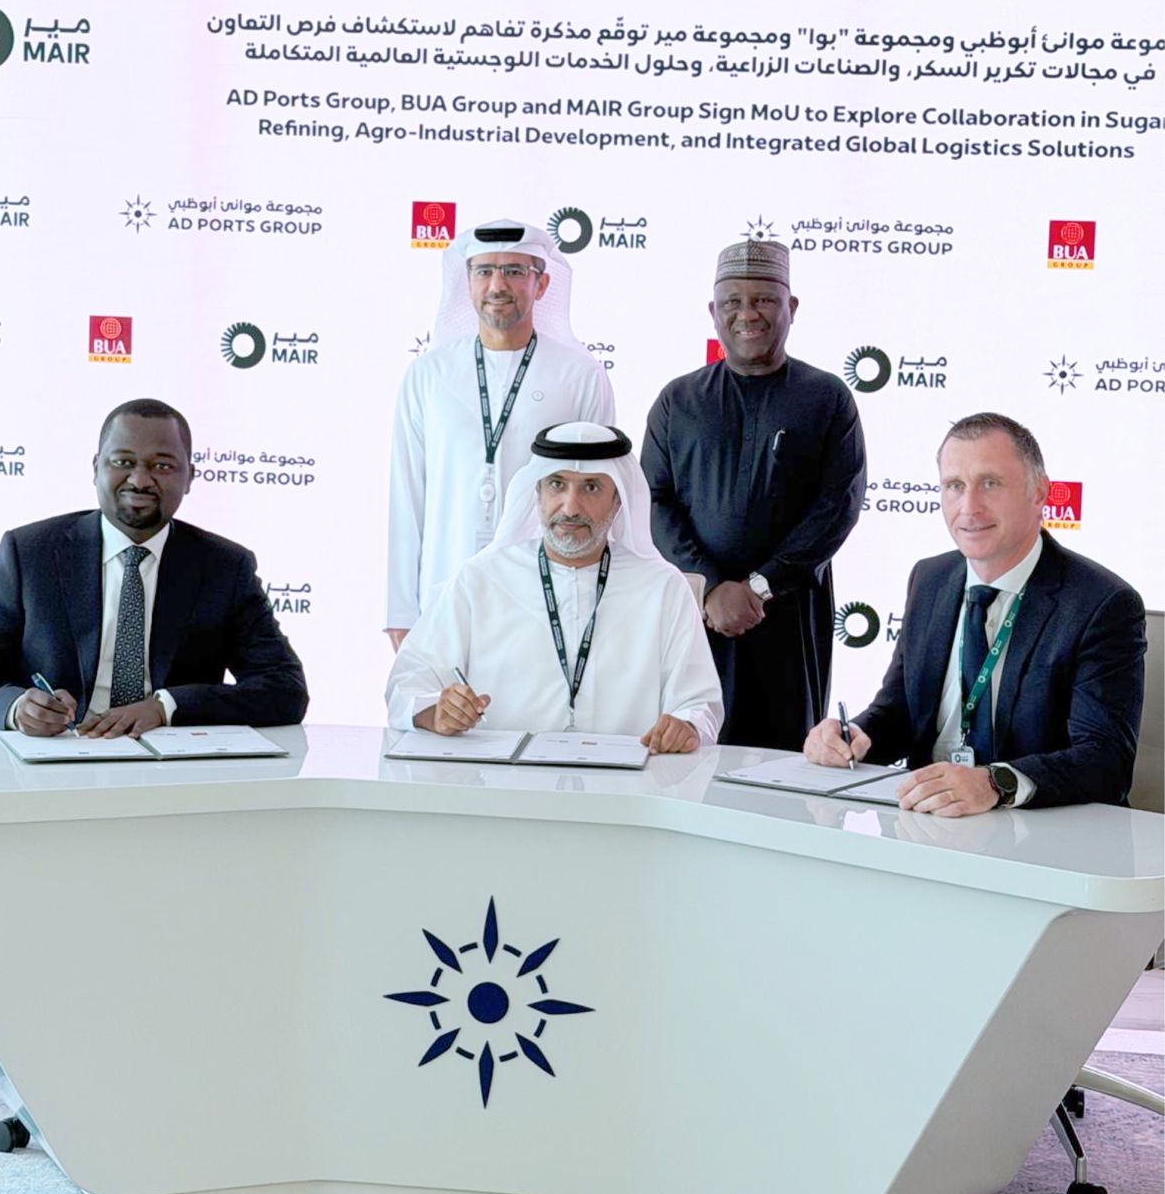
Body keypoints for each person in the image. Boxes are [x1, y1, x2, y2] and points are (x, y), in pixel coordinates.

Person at [804, 412, 1145, 815]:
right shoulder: (930, 578)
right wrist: (853, 737)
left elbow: (1105, 760)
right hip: (928, 825)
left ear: (1040, 494)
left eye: (990, 483)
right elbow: (900, 712)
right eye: (954, 486)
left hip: (1042, 841)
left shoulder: (1101, 604)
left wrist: (994, 782)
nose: (969, 507)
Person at [641, 238, 866, 751]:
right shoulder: (679, 400)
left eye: (764, 299)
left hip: (787, 617)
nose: (747, 314)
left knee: (781, 765)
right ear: (712, 312)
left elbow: (838, 506)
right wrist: (714, 585)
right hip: (697, 617)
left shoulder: (827, 397)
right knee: (685, 751)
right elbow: (655, 500)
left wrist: (760, 587)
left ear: (792, 307)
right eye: (732, 302)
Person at [0, 399, 309, 737]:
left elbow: (285, 689)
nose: (139, 480)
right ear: (96, 468)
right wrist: (16, 708)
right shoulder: (30, 554)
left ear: (190, 477)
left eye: (162, 466)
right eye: (123, 461)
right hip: (53, 763)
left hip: (172, 771)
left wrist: (166, 706)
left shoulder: (224, 567)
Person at [386, 422, 723, 752]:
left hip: (627, 794)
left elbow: (699, 705)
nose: (570, 507)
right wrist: (436, 712)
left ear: (618, 501)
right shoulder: (480, 579)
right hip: (503, 790)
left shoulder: (662, 588)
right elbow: (407, 682)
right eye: (557, 485)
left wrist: (687, 727)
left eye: (590, 488)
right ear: (538, 493)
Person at [385, 218, 616, 649]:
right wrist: (401, 612)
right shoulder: (428, 375)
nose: (497, 284)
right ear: (467, 283)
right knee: (444, 716)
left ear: (542, 285)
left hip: (548, 598)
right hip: (442, 592)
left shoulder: (580, 375)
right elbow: (407, 495)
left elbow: (599, 498)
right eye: (484, 271)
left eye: (514, 271)